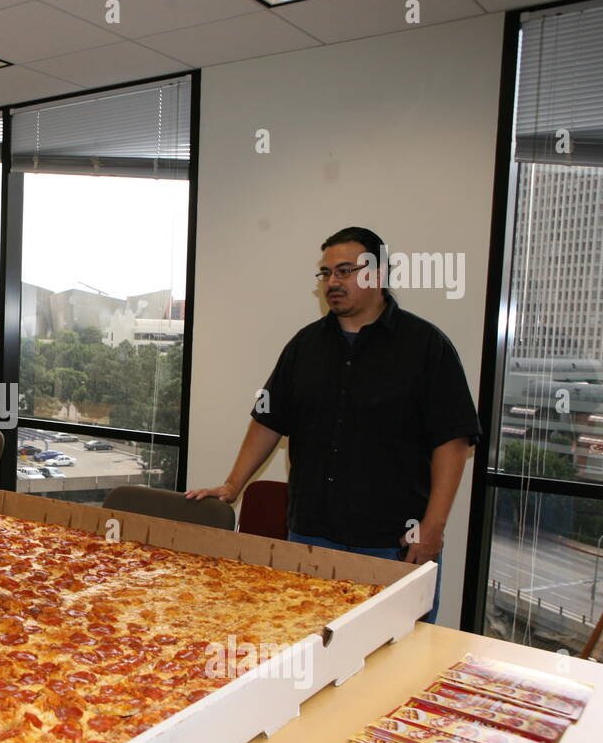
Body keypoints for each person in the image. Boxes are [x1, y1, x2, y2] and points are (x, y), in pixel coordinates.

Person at [187, 226, 480, 624]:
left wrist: (433, 527)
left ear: (377, 275)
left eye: (344, 271)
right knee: (303, 641)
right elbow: (269, 421)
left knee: (396, 660)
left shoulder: (427, 347)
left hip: (392, 542)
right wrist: (232, 485)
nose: (332, 283)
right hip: (310, 537)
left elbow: (452, 441)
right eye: (325, 274)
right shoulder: (305, 346)